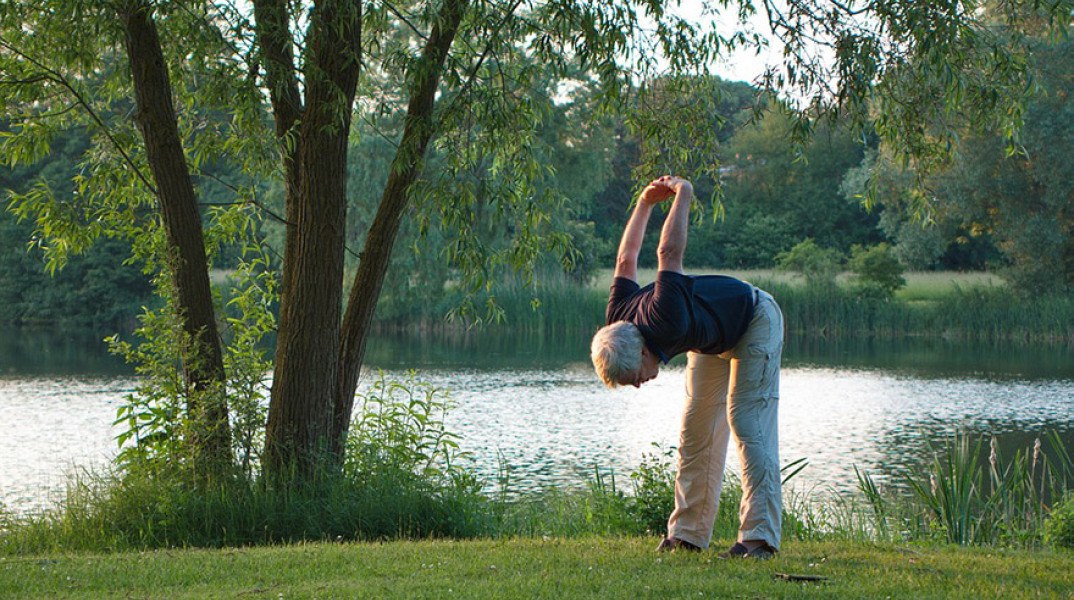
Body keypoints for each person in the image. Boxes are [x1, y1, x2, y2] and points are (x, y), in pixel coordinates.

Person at [590, 175, 784, 559]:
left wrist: (684, 195)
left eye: (634, 380)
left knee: (746, 422)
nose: (640, 385)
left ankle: (759, 539)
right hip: (711, 337)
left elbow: (669, 254)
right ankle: (687, 534)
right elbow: (626, 259)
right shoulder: (617, 320)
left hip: (755, 319)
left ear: (643, 353)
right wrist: (644, 203)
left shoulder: (665, 319)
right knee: (695, 431)